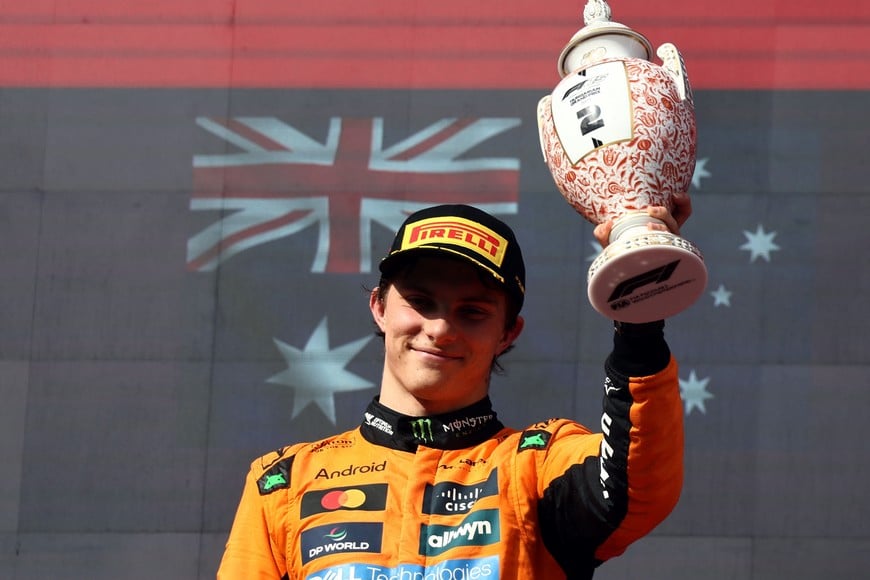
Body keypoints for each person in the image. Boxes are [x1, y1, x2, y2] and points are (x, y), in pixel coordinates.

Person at [218, 201, 688, 580]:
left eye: (473, 311)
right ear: (379, 307)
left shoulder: (535, 465)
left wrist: (638, 316)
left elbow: (638, 485)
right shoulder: (284, 481)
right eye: (420, 303)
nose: (441, 328)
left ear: (509, 332)